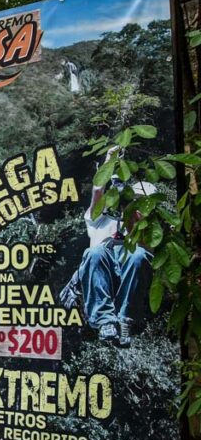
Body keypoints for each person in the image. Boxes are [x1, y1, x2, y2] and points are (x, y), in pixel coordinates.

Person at [62, 149, 154, 347]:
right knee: (95, 251)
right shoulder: (100, 221)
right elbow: (97, 193)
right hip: (101, 274)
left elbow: (139, 238)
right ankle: (104, 320)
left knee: (137, 254)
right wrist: (109, 163)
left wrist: (128, 204)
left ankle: (125, 319)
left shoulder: (147, 229)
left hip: (129, 278)